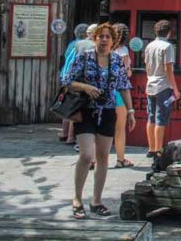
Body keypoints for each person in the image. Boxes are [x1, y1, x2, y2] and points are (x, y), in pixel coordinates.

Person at [61, 23, 135, 219]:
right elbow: (67, 82)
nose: (104, 39)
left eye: (107, 37)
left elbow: (124, 86)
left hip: (108, 111)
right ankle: (77, 198)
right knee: (86, 155)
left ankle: (96, 200)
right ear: (94, 39)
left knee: (103, 157)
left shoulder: (117, 61)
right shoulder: (84, 57)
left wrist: (131, 110)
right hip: (86, 111)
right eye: (100, 36)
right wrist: (86, 87)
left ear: (113, 41)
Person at [144, 20, 180, 158]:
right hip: (164, 86)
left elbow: (147, 66)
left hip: (150, 85)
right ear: (169, 32)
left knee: (151, 117)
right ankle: (159, 149)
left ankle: (151, 148)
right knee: (161, 118)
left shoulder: (149, 46)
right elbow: (168, 69)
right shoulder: (168, 46)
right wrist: (175, 89)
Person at [59, 23, 89, 145]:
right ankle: (71, 137)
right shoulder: (83, 46)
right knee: (75, 106)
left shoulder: (72, 44)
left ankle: (64, 133)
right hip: (75, 80)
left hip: (65, 76)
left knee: (67, 104)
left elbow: (66, 59)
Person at [112, 23, 134, 168]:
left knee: (99, 128)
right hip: (118, 93)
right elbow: (127, 73)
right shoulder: (123, 50)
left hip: (99, 94)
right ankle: (120, 159)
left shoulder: (100, 51)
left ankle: (93, 159)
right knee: (120, 128)